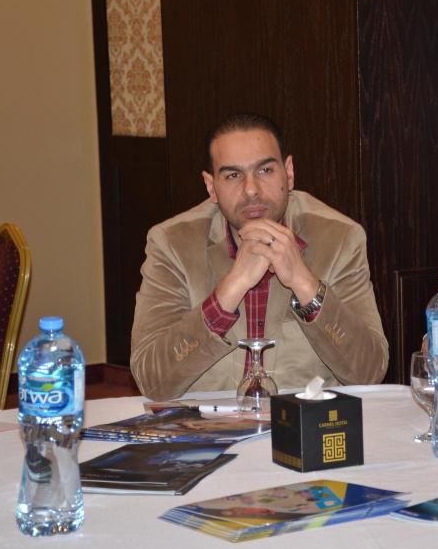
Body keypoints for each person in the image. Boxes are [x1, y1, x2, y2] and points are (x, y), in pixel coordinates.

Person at [131, 113, 388, 400]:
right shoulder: (172, 244)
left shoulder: (340, 239)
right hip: (206, 423)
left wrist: (305, 284)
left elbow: (368, 373)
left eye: (265, 170)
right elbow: (152, 381)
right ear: (211, 186)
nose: (251, 190)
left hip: (304, 420)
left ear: (288, 173)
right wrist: (231, 289)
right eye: (233, 175)